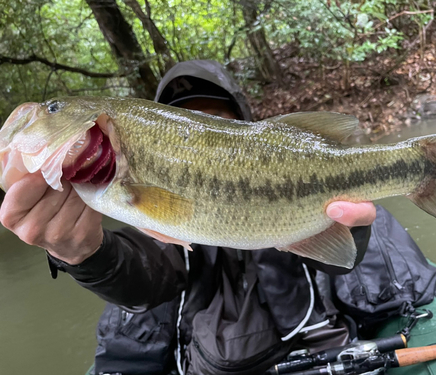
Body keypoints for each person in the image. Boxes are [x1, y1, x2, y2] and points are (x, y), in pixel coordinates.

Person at [0, 60, 376, 374]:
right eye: (184, 118)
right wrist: (85, 255)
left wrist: (353, 234)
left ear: (241, 123)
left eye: (211, 117)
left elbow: (346, 262)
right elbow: (146, 271)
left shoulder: (311, 175)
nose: (195, 128)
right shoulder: (153, 219)